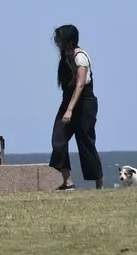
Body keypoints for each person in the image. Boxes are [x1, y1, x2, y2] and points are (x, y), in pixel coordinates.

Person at [49, 24, 103, 189]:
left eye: (59, 38)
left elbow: (80, 84)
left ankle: (99, 184)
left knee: (85, 142)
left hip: (84, 104)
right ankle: (67, 181)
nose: (56, 42)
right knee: (58, 140)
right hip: (68, 101)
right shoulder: (65, 57)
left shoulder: (80, 57)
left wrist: (70, 110)